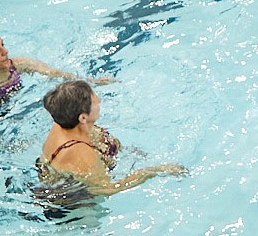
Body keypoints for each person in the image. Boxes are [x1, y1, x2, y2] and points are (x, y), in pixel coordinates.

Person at [36, 80, 186, 197]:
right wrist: (152, 171)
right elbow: (107, 189)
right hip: (71, 202)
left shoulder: (63, 119)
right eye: (94, 101)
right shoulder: (81, 153)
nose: (99, 100)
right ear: (82, 118)